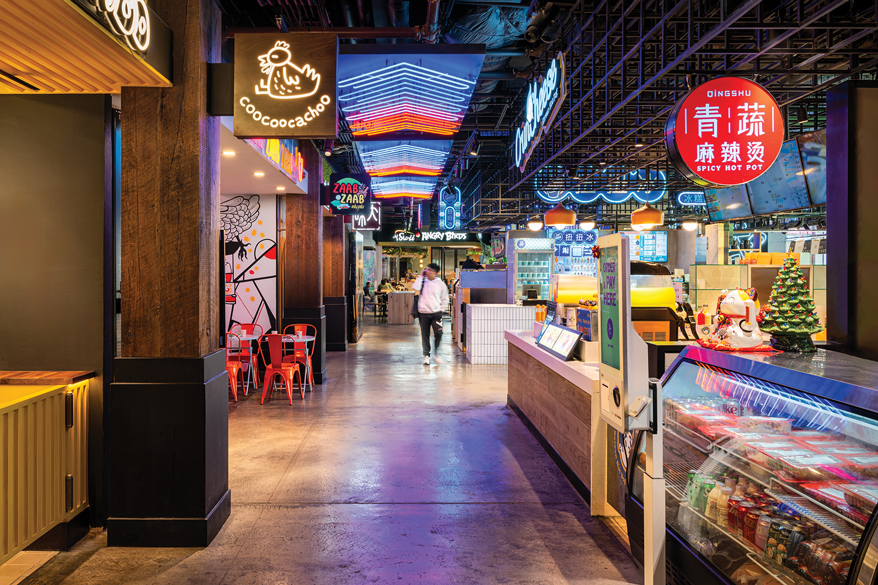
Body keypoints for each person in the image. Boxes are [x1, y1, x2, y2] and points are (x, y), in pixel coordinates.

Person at [412, 263, 449, 366]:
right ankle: (426, 356)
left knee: (439, 333)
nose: (427, 271)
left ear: (435, 273)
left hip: (436, 313)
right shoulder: (423, 281)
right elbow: (415, 287)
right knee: (425, 335)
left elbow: (445, 298)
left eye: (430, 270)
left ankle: (436, 353)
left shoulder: (440, 284)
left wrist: (441, 310)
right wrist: (421, 276)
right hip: (423, 312)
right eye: (427, 269)